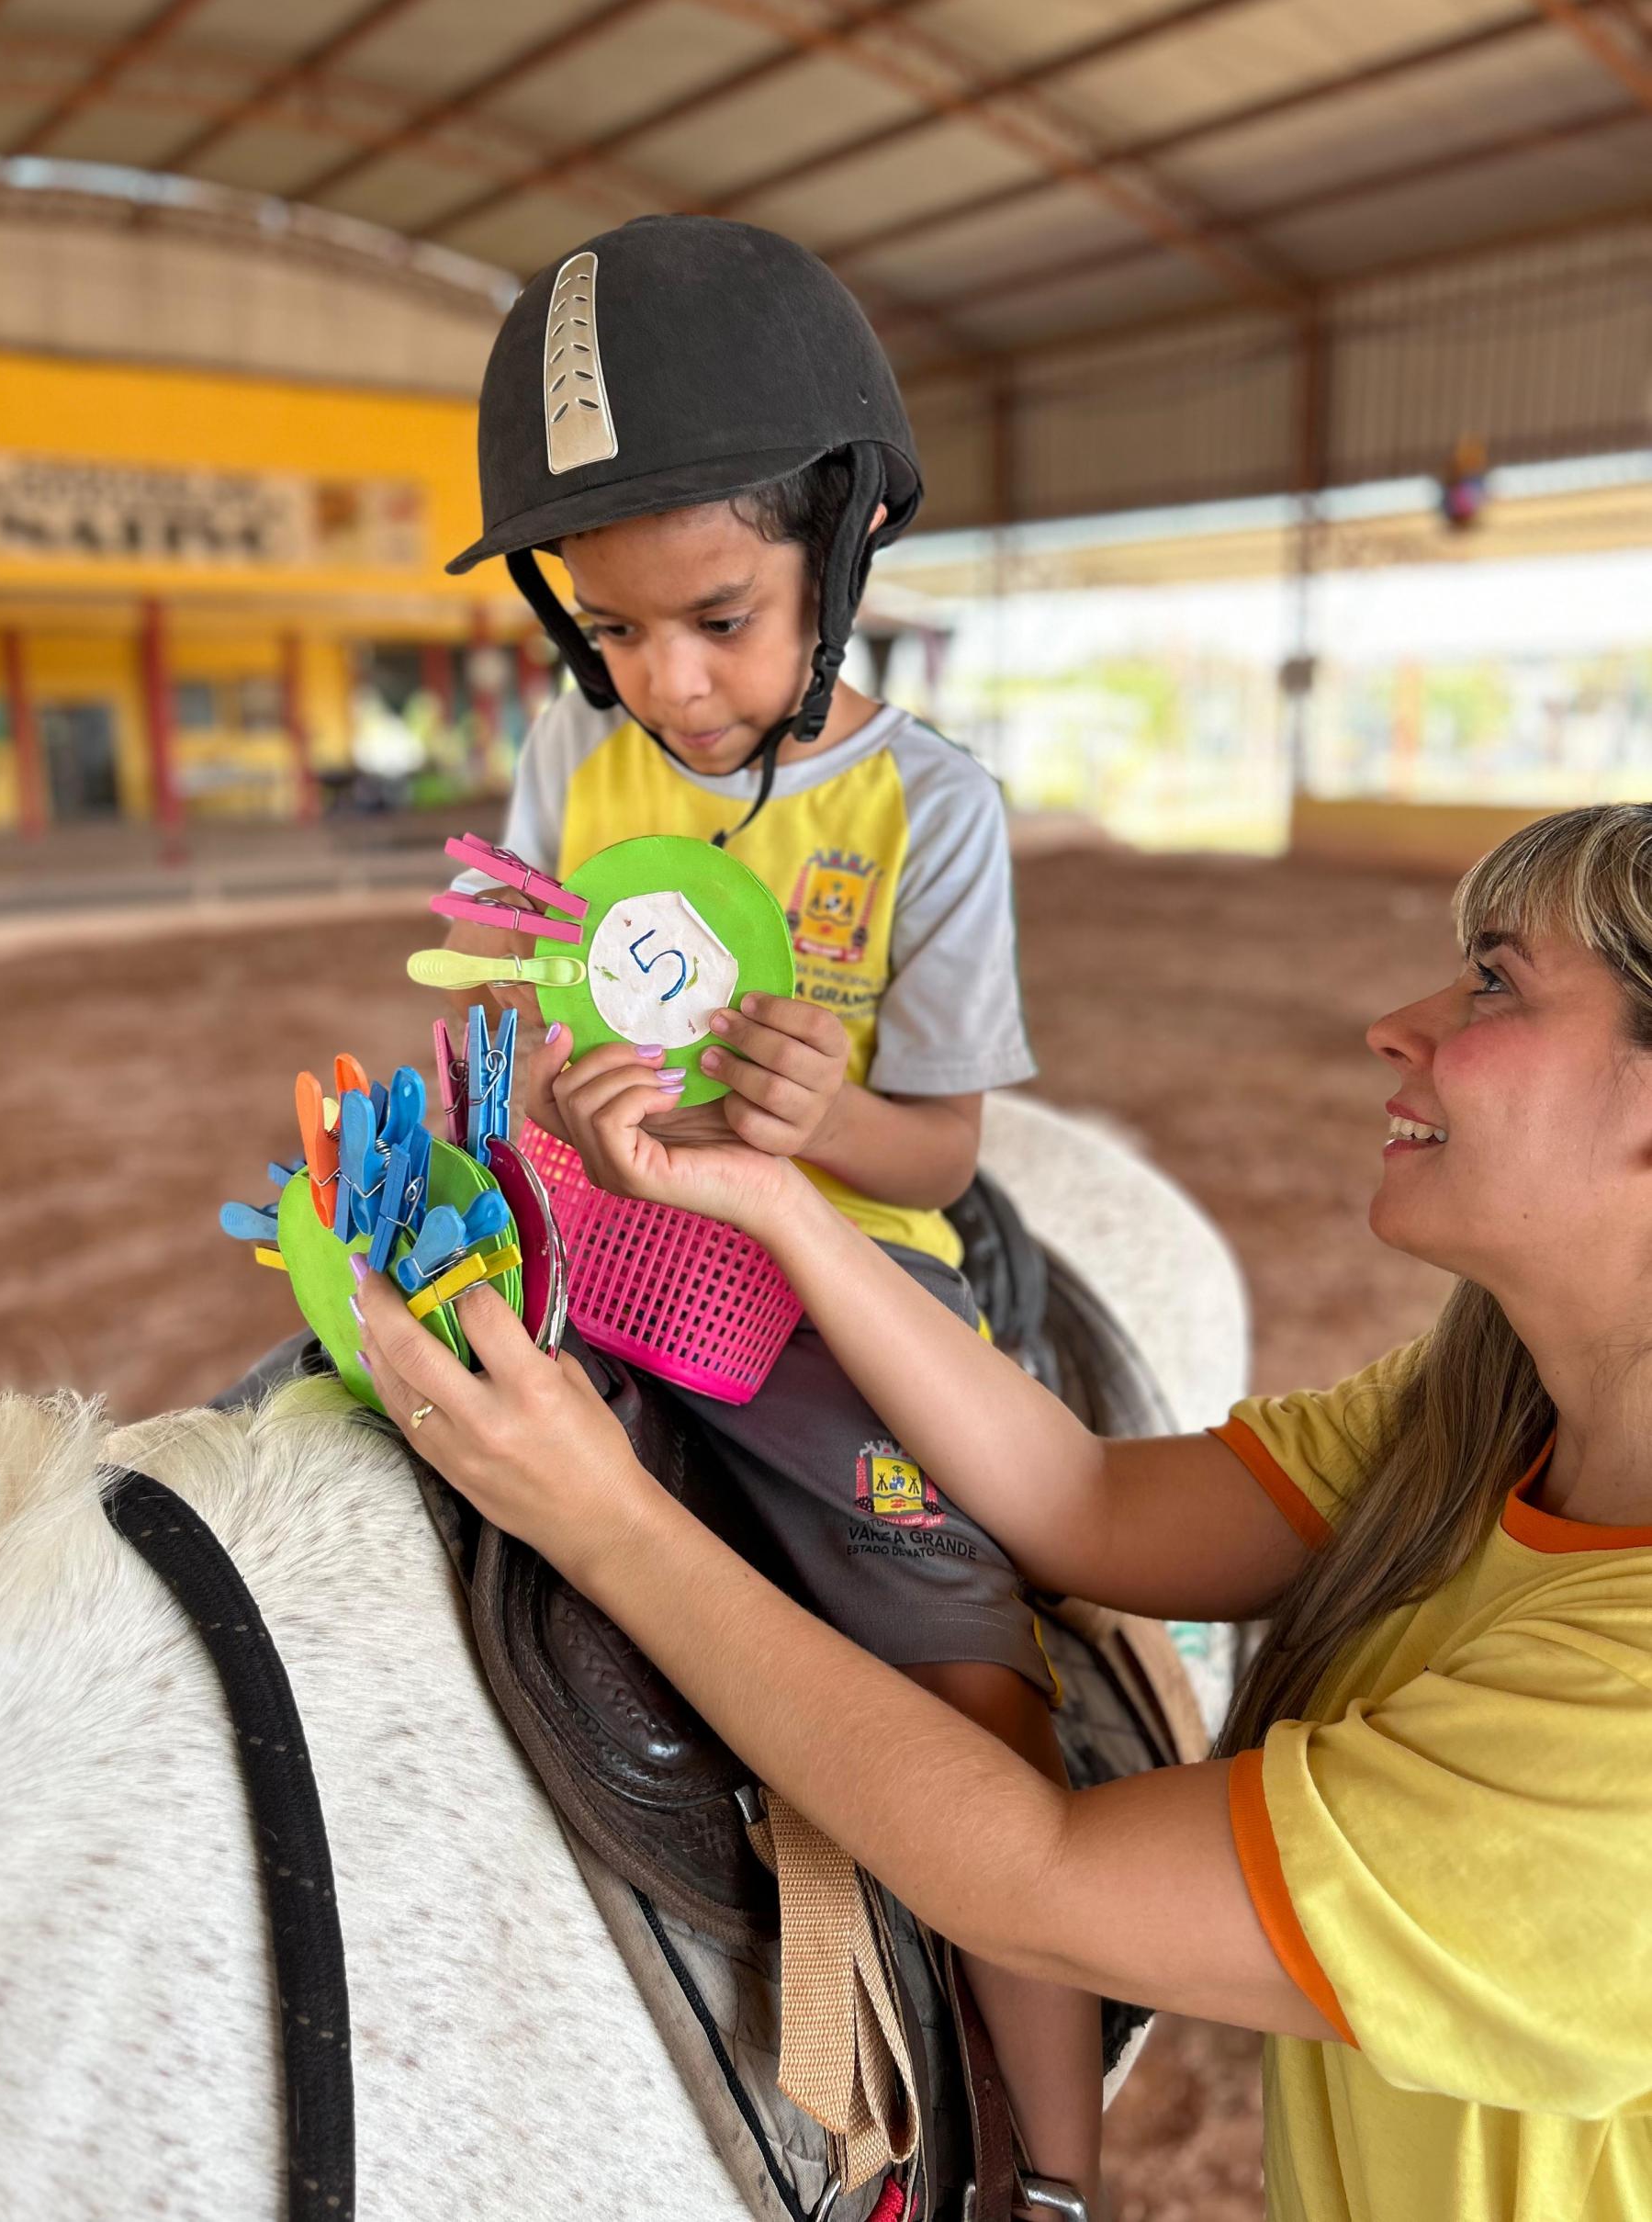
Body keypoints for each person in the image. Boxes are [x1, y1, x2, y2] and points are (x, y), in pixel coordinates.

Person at [358, 802, 1652, 2222]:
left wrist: (606, 1521)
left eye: (1494, 982)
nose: (1395, 1027)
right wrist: (774, 1202)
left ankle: (1043, 2187)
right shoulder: (1488, 1408)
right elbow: (1085, 1501)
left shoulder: (1627, 1738)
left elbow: (1040, 1876)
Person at [439, 214, 1100, 2211]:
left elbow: (941, 1155)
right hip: (590, 1237)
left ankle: (1050, 2176)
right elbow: (512, 1002)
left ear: (843, 538)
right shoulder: (572, 749)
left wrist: (821, 1125)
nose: (665, 679)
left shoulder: (929, 813)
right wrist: (540, 1088)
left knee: (973, 1698)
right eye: (612, 627)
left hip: (829, 1290)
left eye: (718, 616)